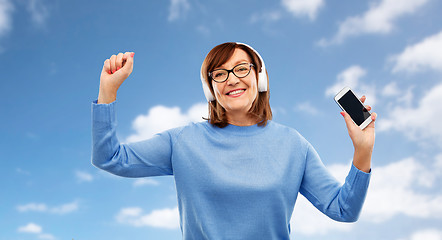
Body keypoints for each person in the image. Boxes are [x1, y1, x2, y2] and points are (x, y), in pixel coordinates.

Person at [91, 42, 377, 240]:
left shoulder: (294, 145)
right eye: (220, 73)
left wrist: (362, 151)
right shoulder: (182, 141)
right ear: (210, 88)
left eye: (241, 68)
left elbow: (344, 210)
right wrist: (108, 91)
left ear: (259, 77)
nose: (231, 79)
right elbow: (109, 158)